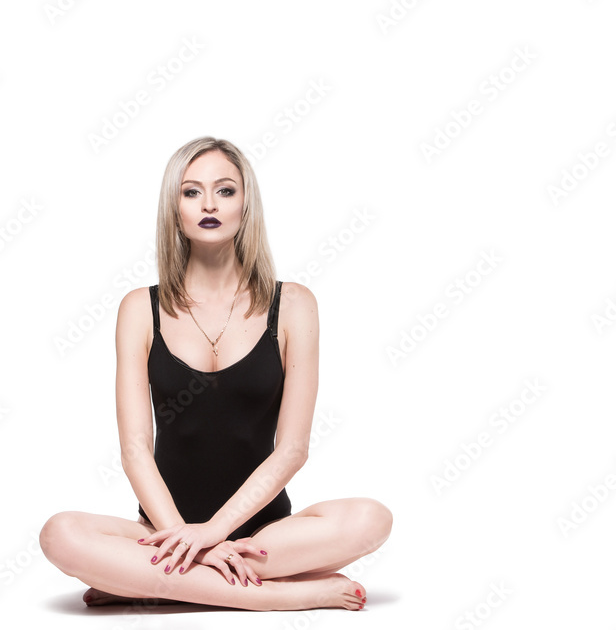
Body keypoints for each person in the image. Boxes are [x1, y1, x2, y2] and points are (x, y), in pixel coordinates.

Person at [39, 136, 392, 612]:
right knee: (60, 533)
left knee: (372, 519)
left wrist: (212, 533)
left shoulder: (294, 305)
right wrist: (189, 539)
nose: (209, 204)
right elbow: (135, 449)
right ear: (174, 209)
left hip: (265, 537)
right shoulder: (139, 309)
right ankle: (277, 598)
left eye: (225, 191)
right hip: (160, 531)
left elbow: (292, 449)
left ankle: (152, 583)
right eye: (191, 192)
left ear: (246, 206)